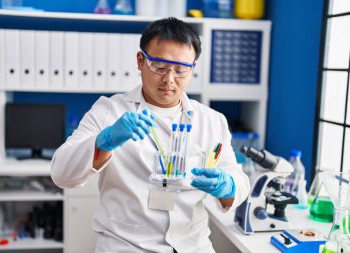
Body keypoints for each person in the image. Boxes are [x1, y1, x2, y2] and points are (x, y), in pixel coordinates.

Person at [51, 17, 250, 253]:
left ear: (193, 69)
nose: (169, 79)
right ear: (140, 60)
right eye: (160, 66)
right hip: (128, 247)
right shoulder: (110, 111)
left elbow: (238, 180)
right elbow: (60, 174)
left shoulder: (212, 121)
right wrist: (103, 141)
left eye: (180, 70)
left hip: (193, 246)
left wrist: (227, 187)